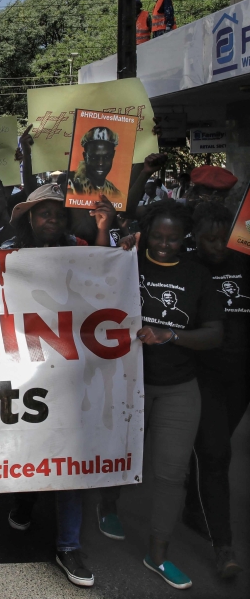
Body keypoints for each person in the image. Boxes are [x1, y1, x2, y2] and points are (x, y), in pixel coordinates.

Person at [100, 200, 223, 590]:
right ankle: (108, 506)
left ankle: (158, 554)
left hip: (178, 388)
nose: (165, 244)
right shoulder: (127, 261)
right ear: (146, 233)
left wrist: (171, 335)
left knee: (172, 475)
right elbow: (94, 280)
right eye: (158, 236)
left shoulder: (197, 275)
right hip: (128, 382)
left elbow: (215, 334)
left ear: (184, 236)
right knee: (120, 453)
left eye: (173, 238)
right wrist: (117, 245)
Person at [0, 184, 113, 588]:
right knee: (30, 446)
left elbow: (106, 278)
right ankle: (26, 502)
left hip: (69, 371)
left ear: (65, 220)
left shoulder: (82, 247)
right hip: (24, 368)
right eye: (42, 212)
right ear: (30, 219)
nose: (50, 219)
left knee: (70, 454)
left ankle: (67, 545)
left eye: (56, 213)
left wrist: (108, 233)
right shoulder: (10, 253)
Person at [180, 202, 248, 579]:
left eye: (224, 239)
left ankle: (194, 505)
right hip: (204, 375)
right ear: (195, 239)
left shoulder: (245, 262)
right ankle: (224, 547)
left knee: (214, 447)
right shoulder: (189, 266)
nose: (218, 246)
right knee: (216, 454)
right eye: (209, 240)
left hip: (240, 376)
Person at [69, 127, 120, 199]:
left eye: (107, 157)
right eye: (93, 157)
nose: (100, 163)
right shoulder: (71, 184)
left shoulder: (116, 194)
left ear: (113, 155)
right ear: (84, 156)